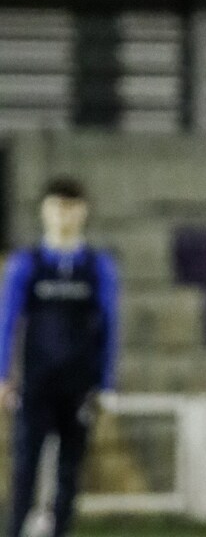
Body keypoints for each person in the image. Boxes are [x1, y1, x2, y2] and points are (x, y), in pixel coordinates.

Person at [0, 177, 119, 537]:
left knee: (69, 475)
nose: (63, 215)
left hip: (78, 388)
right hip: (36, 387)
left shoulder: (98, 266)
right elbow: (7, 322)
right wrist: (3, 377)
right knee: (25, 471)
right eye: (56, 207)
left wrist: (106, 384)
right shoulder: (28, 263)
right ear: (43, 211)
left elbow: (110, 325)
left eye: (70, 207)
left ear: (83, 211)